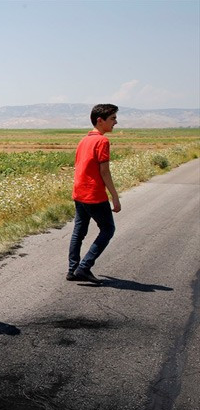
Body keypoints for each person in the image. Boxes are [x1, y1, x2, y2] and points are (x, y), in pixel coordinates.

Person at [67, 104, 121, 284]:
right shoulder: (102, 141)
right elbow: (104, 171)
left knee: (79, 231)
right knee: (108, 229)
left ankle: (72, 269)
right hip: (93, 194)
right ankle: (84, 267)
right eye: (112, 118)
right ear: (100, 120)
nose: (115, 122)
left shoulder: (84, 140)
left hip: (79, 192)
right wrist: (114, 196)